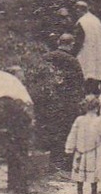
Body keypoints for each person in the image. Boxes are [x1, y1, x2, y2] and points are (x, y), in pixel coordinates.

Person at [36, 34, 85, 172]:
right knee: (66, 132)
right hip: (67, 103)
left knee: (50, 130)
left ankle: (50, 162)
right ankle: (64, 163)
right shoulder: (73, 61)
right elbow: (79, 83)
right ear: (72, 44)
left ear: (59, 42)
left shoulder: (47, 58)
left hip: (49, 101)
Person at [64, 96, 101, 194]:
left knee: (79, 177)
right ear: (97, 108)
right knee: (93, 176)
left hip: (80, 152)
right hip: (92, 152)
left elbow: (73, 134)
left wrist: (69, 148)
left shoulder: (79, 120)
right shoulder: (98, 121)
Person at [71, 0, 101, 93]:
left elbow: (78, 42)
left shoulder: (81, 22)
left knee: (86, 84)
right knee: (96, 85)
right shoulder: (97, 21)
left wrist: (72, 55)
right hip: (99, 59)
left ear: (79, 10)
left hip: (86, 57)